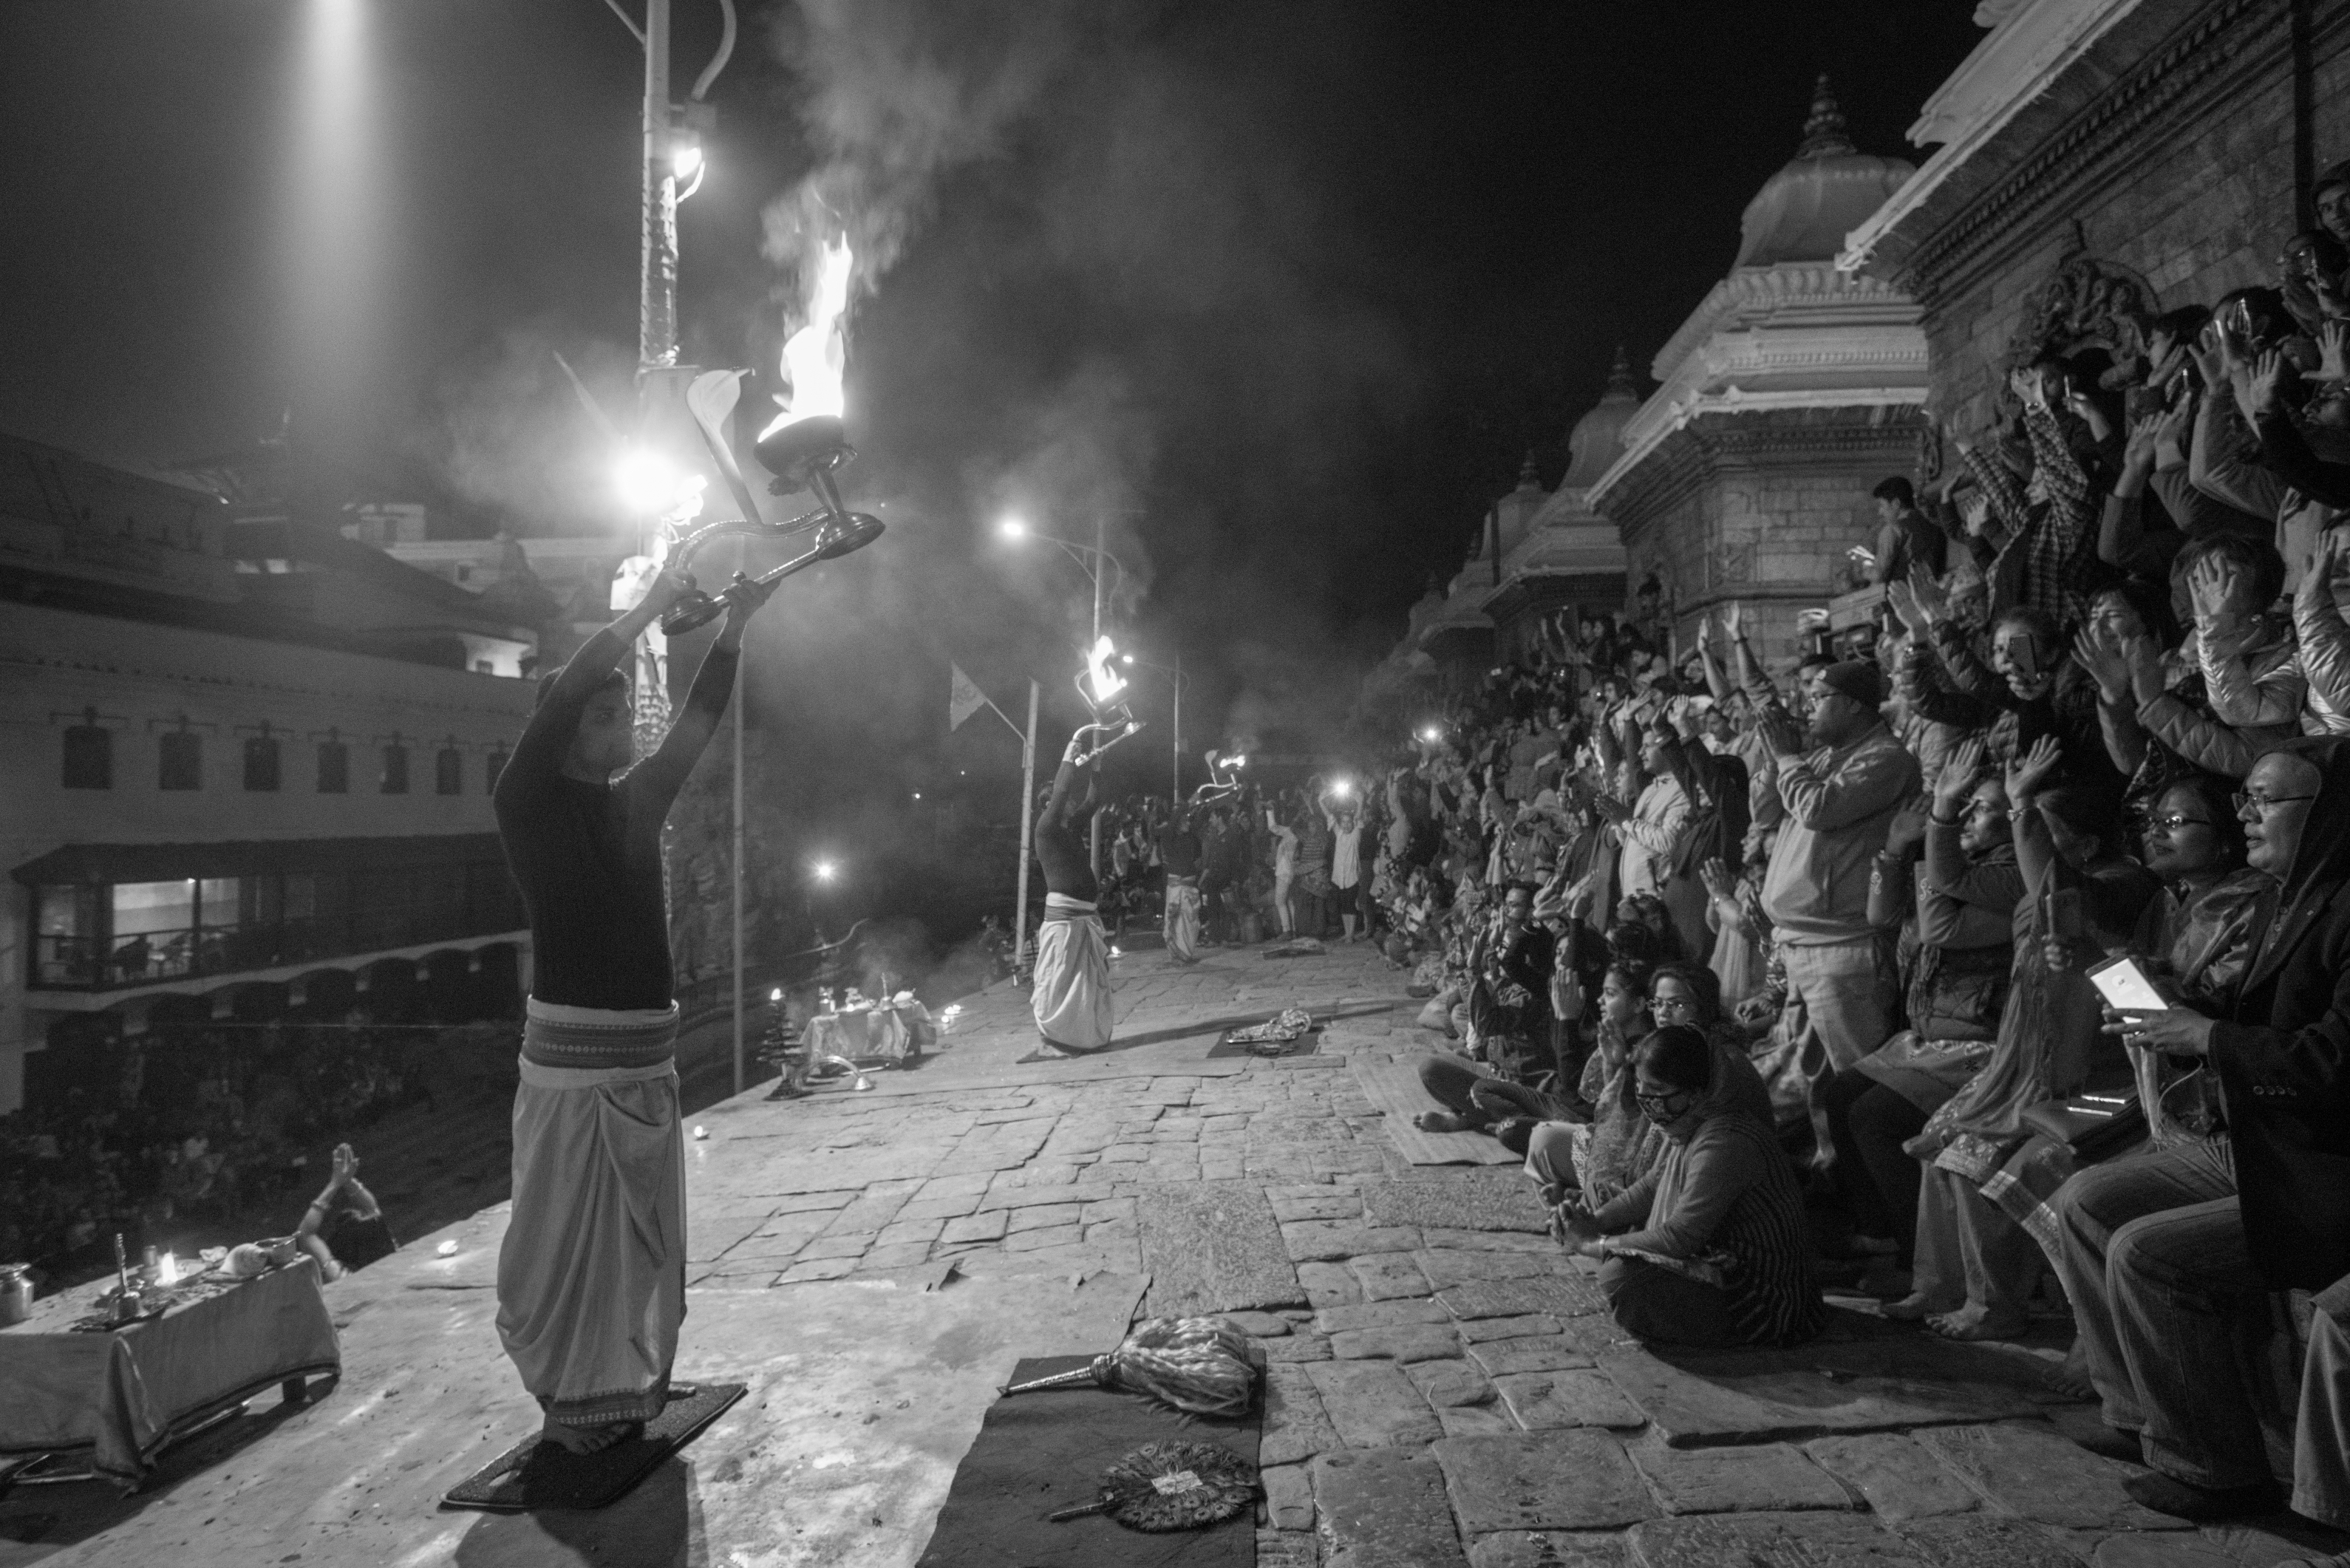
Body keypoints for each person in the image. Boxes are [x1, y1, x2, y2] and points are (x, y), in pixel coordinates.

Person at [491, 565, 769, 1454]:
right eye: (606, 716)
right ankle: (568, 1403)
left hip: (646, 1064)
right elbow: (564, 691)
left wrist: (732, 634)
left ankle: (615, 1392)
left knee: (633, 1252)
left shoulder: (634, 805)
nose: (626, 727)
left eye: (621, 714)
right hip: (576, 1074)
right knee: (567, 1254)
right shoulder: (527, 804)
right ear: (569, 727)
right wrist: (646, 610)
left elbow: (696, 725)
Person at [2051, 740, 2350, 1521]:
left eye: (2264, 800)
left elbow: (2329, 1060)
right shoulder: (2295, 894)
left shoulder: (2335, 904)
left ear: (2324, 814)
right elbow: (2258, 1021)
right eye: (2244, 797)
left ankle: (2214, 1466)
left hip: (2318, 1159)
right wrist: (2175, 1018)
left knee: (2149, 1253)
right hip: (2261, 1135)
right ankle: (2141, 1415)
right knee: (2085, 1198)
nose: (2245, 812)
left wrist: (2204, 1036)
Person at [1826, 737, 2018, 1291]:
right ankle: (1882, 1233)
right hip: (1931, 1037)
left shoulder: (2010, 874)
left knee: (1877, 1118)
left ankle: (1922, 1265)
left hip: (1981, 1043)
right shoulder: (1957, 861)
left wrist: (1938, 829)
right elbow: (1883, 917)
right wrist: (1893, 849)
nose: (1966, 816)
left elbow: (1941, 928)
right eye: (1967, 805)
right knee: (1839, 1096)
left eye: (1980, 808)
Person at [1553, 1024, 1827, 1347]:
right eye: (1641, 1087)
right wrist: (1595, 1221)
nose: (1647, 1102)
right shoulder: (1690, 1121)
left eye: (1657, 1090)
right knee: (1612, 1226)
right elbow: (1651, 1186)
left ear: (1695, 1092)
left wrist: (1590, 1243)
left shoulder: (1726, 1140)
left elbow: (1680, 1237)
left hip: (1763, 1301)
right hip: (1722, 1265)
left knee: (1625, 1280)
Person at [1754, 659, 1921, 1172]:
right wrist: (1776, 758)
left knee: (1857, 1082)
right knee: (1815, 1085)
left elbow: (1819, 809)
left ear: (1852, 704)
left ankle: (1882, 1211)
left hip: (1843, 948)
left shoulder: (1885, 758)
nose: (1807, 706)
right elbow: (1764, 813)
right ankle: (1841, 1188)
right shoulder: (1823, 756)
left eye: (1818, 696)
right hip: (1803, 944)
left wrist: (1788, 758)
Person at [1033, 729, 1116, 1053]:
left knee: (1083, 985)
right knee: (1059, 983)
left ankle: (1083, 1036)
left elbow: (1094, 800)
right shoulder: (1047, 828)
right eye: (1062, 800)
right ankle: (1058, 1036)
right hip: (1064, 921)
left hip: (1082, 917)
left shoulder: (1071, 826)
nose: (1069, 803)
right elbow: (1064, 787)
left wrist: (1096, 768)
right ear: (1051, 805)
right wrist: (1069, 757)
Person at [293, 1141, 397, 1281]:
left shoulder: (341, 1276)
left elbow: (305, 1234)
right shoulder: (390, 1255)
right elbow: (372, 1210)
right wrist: (347, 1181)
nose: (367, 1215)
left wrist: (335, 1183)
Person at [1866, 476, 1948, 586]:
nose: (1880, 512)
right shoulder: (1936, 529)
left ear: (1896, 503)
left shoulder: (1892, 531)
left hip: (1902, 600)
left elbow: (1878, 575)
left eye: (1882, 505)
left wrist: (1864, 572)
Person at [1158, 807, 1204, 965]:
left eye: (1189, 820)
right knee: (1176, 922)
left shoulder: (1192, 838)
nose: (1188, 824)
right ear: (1177, 822)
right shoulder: (1169, 838)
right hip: (1176, 885)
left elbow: (1198, 858)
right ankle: (1177, 955)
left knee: (1191, 922)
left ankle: (1186, 954)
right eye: (1185, 820)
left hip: (1190, 886)